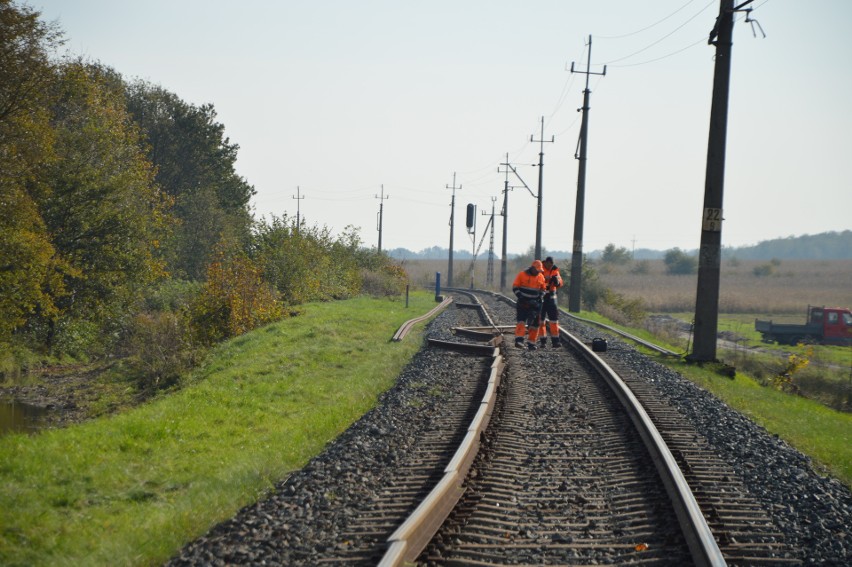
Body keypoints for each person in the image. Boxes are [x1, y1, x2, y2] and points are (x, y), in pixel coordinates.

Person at [512, 260, 547, 350]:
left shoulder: (541, 277)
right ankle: (519, 340)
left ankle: (531, 343)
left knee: (535, 324)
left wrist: (540, 297)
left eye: (540, 270)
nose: (538, 272)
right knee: (521, 321)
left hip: (535, 304)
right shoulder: (522, 275)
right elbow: (515, 287)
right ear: (532, 268)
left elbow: (543, 289)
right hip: (523, 303)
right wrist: (521, 297)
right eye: (537, 270)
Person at [538, 256, 564, 348]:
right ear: (546, 262)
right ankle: (543, 341)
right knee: (541, 320)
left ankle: (555, 341)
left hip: (551, 298)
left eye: (551, 264)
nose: (550, 266)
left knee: (554, 320)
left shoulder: (555, 270)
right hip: (541, 297)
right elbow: (537, 281)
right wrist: (546, 282)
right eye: (549, 264)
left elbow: (560, 281)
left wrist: (557, 281)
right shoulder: (540, 269)